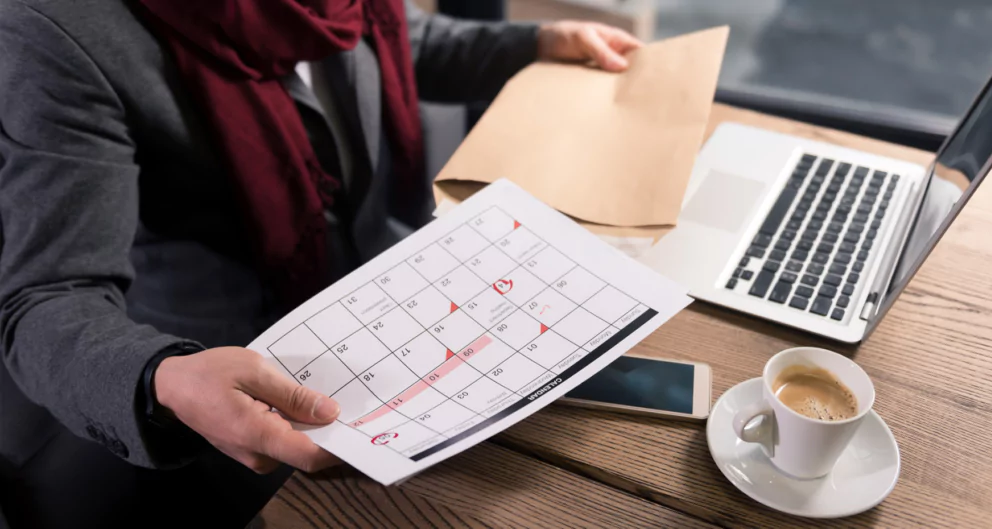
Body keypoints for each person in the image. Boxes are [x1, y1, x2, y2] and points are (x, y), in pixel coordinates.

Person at [0, 1, 642, 527]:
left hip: (396, 306)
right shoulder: (55, 29)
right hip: (237, 377)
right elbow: (45, 299)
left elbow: (397, 40)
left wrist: (535, 42)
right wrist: (162, 377)